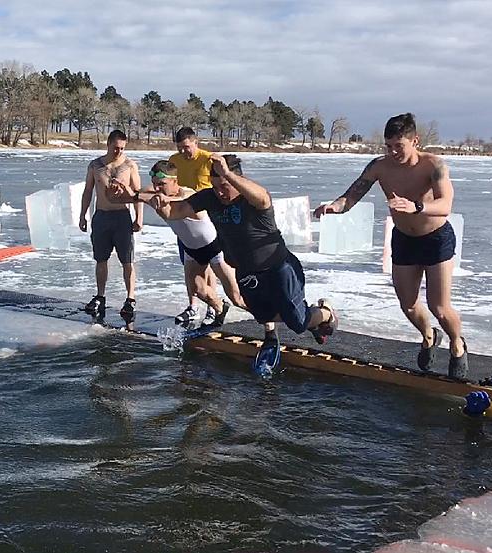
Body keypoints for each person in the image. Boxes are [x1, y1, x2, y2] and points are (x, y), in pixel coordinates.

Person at [110, 154, 338, 377]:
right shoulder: (210, 198)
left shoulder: (254, 200)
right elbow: (174, 210)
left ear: (239, 181)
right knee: (263, 314)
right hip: (247, 272)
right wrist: (145, 199)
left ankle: (326, 314)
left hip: (279, 268)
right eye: (216, 186)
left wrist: (227, 173)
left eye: (225, 185)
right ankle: (275, 333)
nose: (221, 192)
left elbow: (263, 196)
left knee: (297, 323)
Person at [314, 113, 466, 379]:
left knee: (439, 307)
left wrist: (417, 207)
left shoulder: (434, 166)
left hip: (436, 239)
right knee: (407, 304)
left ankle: (457, 344)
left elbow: (446, 205)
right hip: (405, 239)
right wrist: (334, 207)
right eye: (388, 146)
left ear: (415, 141)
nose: (393, 151)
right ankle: (428, 336)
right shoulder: (379, 167)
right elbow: (351, 195)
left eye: (399, 145)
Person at [134, 160, 246, 327]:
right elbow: (133, 194)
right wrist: (122, 192)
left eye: (162, 184)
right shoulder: (156, 194)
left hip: (214, 247)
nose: (157, 188)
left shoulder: (187, 193)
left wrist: (156, 198)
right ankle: (220, 308)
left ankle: (270, 321)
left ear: (175, 181)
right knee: (198, 290)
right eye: (155, 184)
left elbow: (184, 198)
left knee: (236, 296)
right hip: (191, 250)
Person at [78, 129, 143, 319]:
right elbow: (88, 191)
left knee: (127, 260)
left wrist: (139, 218)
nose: (119, 152)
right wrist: (83, 215)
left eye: (122, 148)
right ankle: (100, 296)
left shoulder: (130, 165)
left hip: (122, 217)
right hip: (102, 217)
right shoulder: (95, 166)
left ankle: (130, 299)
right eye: (116, 148)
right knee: (101, 259)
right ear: (108, 144)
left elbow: (138, 194)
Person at [169, 127, 219, 326]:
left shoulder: (209, 159)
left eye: (187, 147)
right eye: (180, 148)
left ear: (195, 143)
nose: (183, 151)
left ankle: (212, 308)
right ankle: (193, 306)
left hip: (206, 220)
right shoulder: (174, 160)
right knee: (188, 265)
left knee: (208, 266)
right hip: (184, 219)